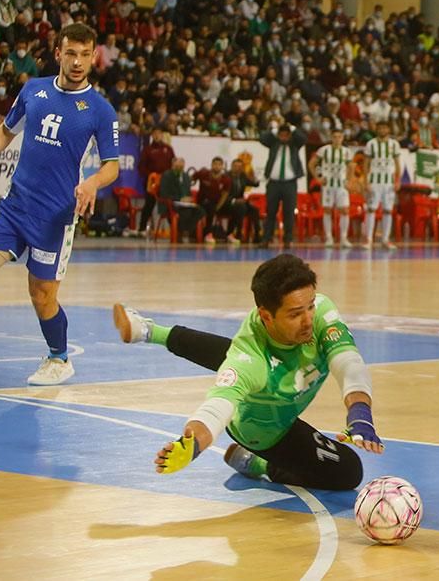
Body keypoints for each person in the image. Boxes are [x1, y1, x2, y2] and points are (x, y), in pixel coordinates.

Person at [111, 254, 384, 488]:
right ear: (266, 315)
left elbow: (348, 360)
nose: (308, 320)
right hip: (264, 430)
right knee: (350, 472)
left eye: (310, 306)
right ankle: (259, 463)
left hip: (266, 370)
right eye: (295, 314)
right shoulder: (249, 360)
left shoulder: (319, 312)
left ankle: (147, 330)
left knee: (233, 356)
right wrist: (193, 444)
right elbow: (217, 407)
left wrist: (360, 412)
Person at [0, 22, 120, 385]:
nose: (77, 62)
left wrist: (93, 181)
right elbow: (4, 132)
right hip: (14, 208)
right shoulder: (33, 89)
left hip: (54, 219)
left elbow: (112, 165)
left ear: (93, 58)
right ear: (58, 53)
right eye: (71, 53)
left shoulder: (100, 109)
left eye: (84, 55)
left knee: (41, 295)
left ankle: (59, 359)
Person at [259, 121, 306, 248]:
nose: (284, 137)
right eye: (282, 134)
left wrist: (291, 127)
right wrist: (275, 129)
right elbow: (262, 138)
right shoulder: (273, 144)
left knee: (289, 212)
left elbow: (303, 138)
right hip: (274, 183)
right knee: (270, 212)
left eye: (287, 134)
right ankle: (266, 239)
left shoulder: (295, 144)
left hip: (289, 183)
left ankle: (288, 240)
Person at [309, 126, 354, 247]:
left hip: (341, 185)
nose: (337, 139)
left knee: (344, 210)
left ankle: (344, 238)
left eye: (339, 137)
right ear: (331, 137)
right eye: (334, 137)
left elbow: (351, 167)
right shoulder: (324, 150)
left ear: (342, 138)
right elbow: (311, 164)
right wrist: (317, 178)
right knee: (327, 210)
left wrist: (349, 181)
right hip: (328, 185)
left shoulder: (347, 151)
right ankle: (329, 238)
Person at [362, 120, 401, 248]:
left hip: (389, 182)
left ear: (388, 130)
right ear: (376, 129)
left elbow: (397, 164)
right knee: (371, 209)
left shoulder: (394, 144)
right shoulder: (371, 144)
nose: (382, 130)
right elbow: (366, 164)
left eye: (385, 128)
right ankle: (368, 240)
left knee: (388, 210)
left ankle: (385, 240)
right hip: (374, 181)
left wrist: (397, 180)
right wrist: (366, 181)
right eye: (380, 128)